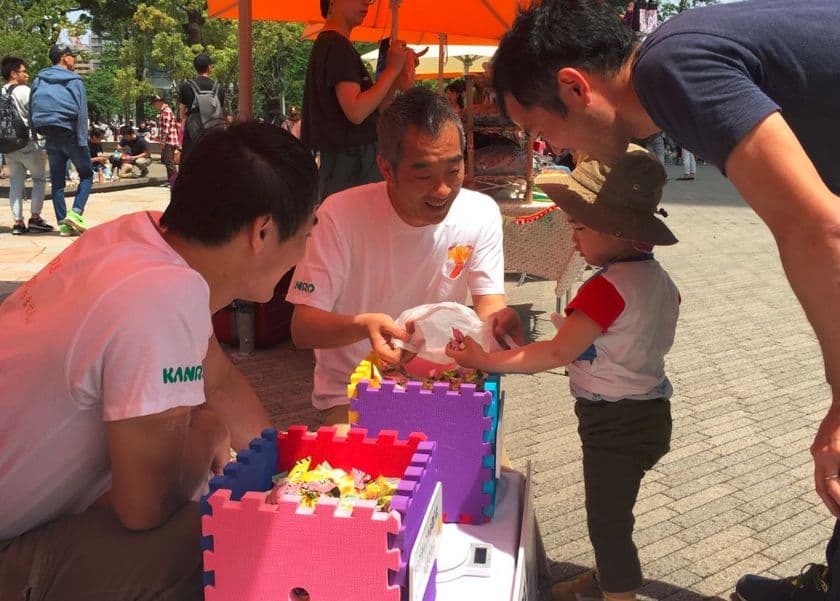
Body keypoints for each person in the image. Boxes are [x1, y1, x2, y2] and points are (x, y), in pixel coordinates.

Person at [490, 0, 840, 598]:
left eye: (545, 132)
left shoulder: (670, 69)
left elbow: (814, 228)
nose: (554, 148)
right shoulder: (674, 63)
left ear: (574, 88)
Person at [0, 122, 318, 600]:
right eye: (307, 233)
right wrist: (208, 431)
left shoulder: (144, 237)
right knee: (227, 544)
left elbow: (218, 381)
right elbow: (143, 508)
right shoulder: (163, 294)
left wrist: (300, 477)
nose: (306, 252)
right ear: (264, 231)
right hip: (10, 548)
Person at [448, 146, 679, 601]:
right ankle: (606, 580)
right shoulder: (659, 282)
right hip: (649, 412)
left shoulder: (604, 290)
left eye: (579, 228)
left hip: (614, 422)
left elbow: (554, 354)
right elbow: (604, 350)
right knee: (615, 508)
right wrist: (519, 343)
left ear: (619, 230)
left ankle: (619, 590)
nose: (573, 239)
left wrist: (484, 360)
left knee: (608, 522)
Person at [287, 87, 523, 428]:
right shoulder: (339, 215)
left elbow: (489, 311)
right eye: (423, 175)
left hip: (443, 390)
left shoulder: (480, 212)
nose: (442, 190)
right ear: (386, 168)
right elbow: (303, 328)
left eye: (453, 171)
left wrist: (500, 328)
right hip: (355, 395)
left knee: (500, 477)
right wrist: (363, 326)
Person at [301, 0, 418, 200]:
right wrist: (391, 69)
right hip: (351, 165)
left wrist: (395, 75)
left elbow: (377, 107)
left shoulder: (336, 45)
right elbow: (355, 111)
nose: (366, 3)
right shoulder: (336, 45)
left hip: (352, 164)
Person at [30, 43, 93, 237]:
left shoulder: (39, 79)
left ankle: (63, 225)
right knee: (87, 175)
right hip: (71, 134)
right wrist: (82, 139)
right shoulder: (75, 80)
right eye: (72, 56)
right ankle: (75, 213)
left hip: (50, 135)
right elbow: (82, 112)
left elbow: (31, 107)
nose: (74, 60)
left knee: (57, 182)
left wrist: (35, 136)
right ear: (65, 57)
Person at [1, 56, 53, 235]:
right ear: (13, 73)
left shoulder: (1, 92)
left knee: (15, 182)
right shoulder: (24, 91)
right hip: (27, 143)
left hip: (8, 145)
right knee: (39, 179)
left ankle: (17, 222)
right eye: (24, 71)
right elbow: (38, 113)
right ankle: (35, 218)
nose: (27, 74)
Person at [179, 52, 224, 160]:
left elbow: (182, 111)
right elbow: (221, 109)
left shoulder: (187, 86)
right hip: (214, 127)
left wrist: (183, 122)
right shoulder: (218, 87)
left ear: (195, 68)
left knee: (190, 157)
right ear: (209, 67)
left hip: (194, 125)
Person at [150, 94, 180, 184]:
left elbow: (166, 128)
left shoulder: (166, 111)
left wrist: (163, 141)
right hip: (170, 140)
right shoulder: (165, 111)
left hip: (169, 140)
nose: (154, 106)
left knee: (169, 162)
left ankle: (174, 181)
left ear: (159, 102)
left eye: (154, 104)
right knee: (167, 161)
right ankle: (171, 180)